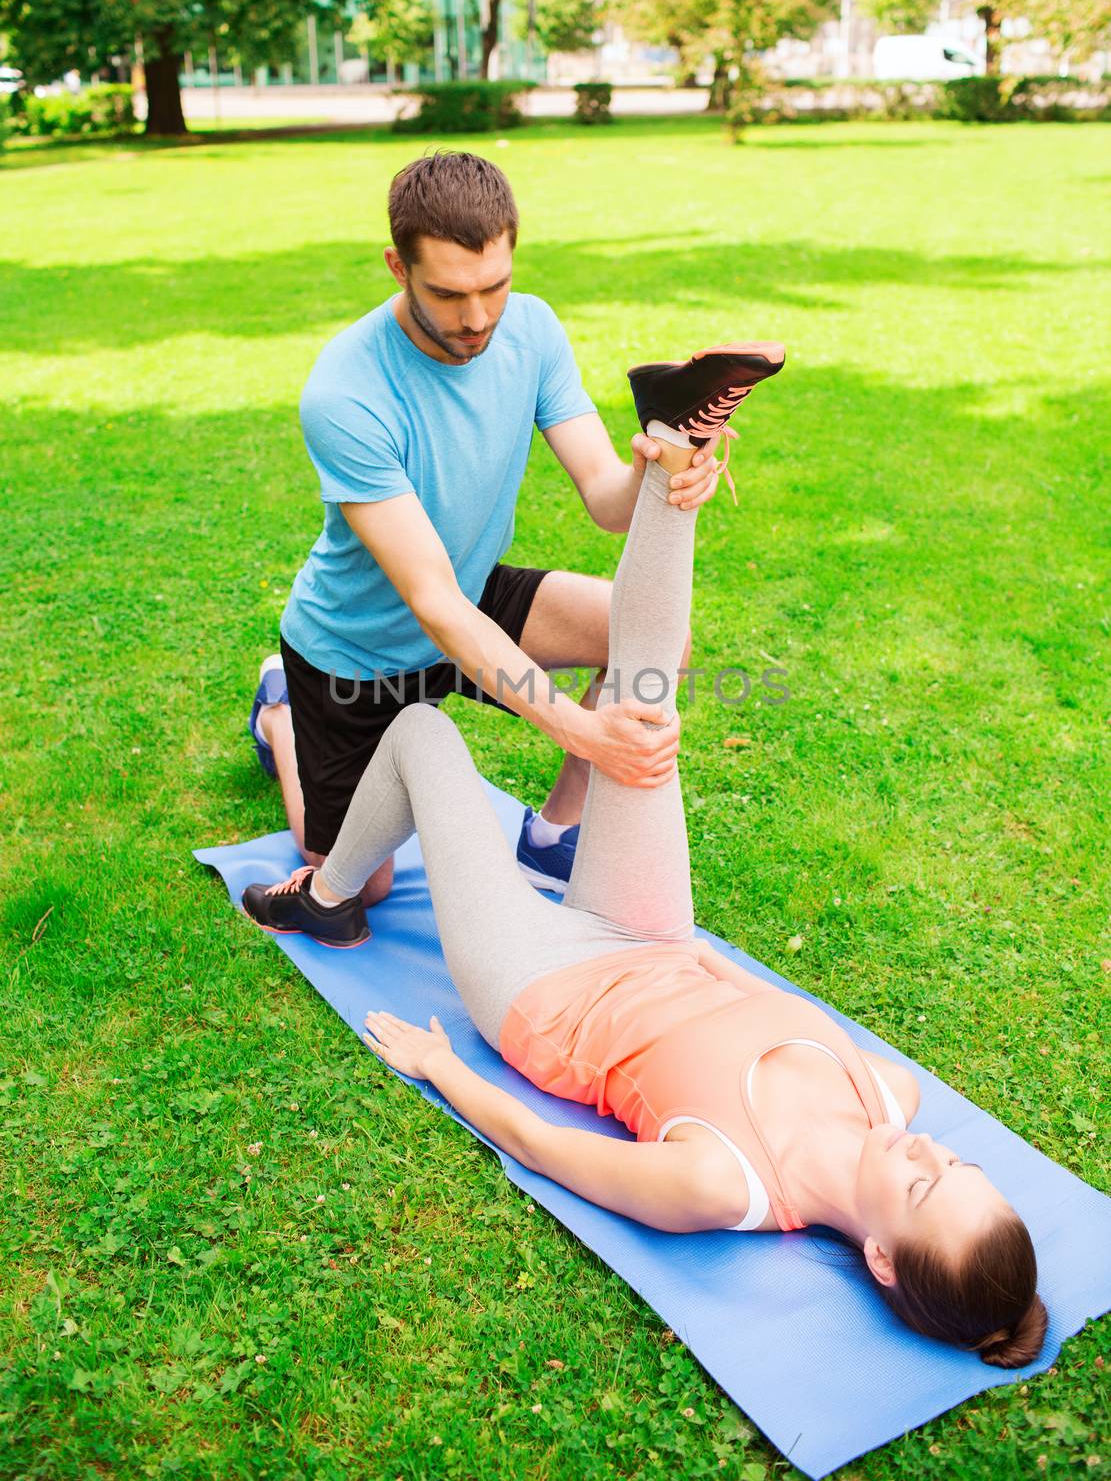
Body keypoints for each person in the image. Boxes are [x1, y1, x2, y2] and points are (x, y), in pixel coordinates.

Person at [243, 346, 1046, 1366]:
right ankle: (678, 438)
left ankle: (325, 893)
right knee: (646, 699)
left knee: (422, 735)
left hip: (544, 992)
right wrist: (688, 953)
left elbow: (546, 1147)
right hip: (650, 934)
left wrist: (445, 1066)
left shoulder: (725, 1186)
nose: (928, 1150)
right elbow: (732, 987)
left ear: (882, 1259)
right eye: (960, 1166)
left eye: (926, 1185)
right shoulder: (895, 1097)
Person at [247, 150, 732, 909]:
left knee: (651, 636)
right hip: (360, 648)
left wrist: (664, 466)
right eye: (448, 294)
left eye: (493, 286)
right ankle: (280, 717)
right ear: (396, 268)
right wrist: (579, 728)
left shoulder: (531, 330)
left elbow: (607, 501)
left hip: (471, 598)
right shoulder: (345, 391)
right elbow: (430, 601)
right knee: (359, 882)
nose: (476, 319)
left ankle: (552, 837)